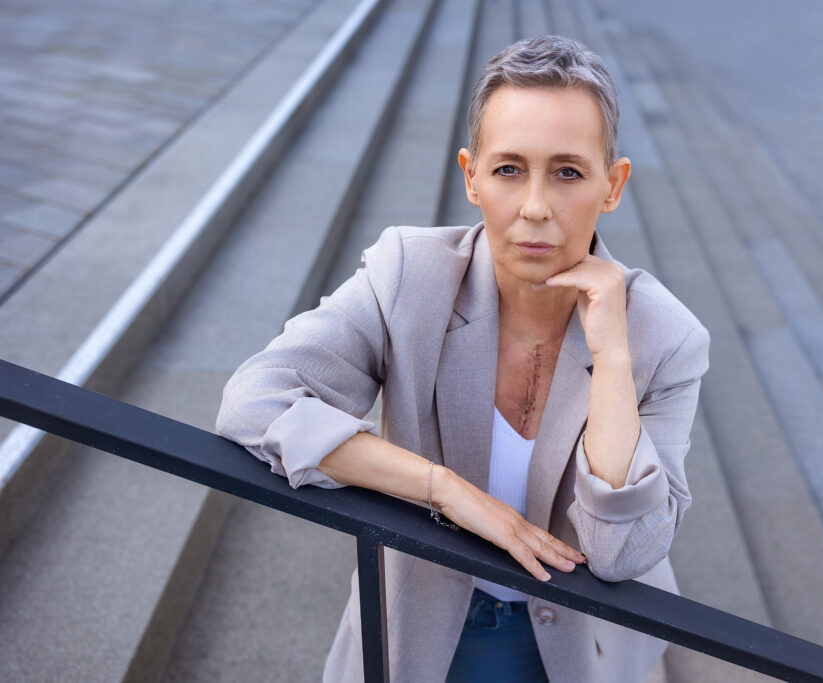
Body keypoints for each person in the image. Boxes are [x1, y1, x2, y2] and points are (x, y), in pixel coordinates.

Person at [216, 34, 709, 683]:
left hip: (582, 649)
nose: (535, 207)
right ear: (470, 175)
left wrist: (613, 357)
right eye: (509, 169)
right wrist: (445, 489)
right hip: (419, 631)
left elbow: (622, 550)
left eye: (567, 171)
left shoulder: (665, 336)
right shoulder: (409, 276)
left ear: (612, 184)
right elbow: (254, 401)